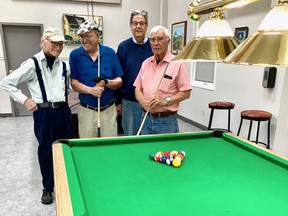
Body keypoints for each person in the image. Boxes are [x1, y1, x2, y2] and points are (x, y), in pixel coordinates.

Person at [0, 27, 74, 204]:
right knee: (46, 150)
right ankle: (48, 188)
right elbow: (6, 82)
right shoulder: (32, 63)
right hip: (44, 113)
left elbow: (68, 87)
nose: (58, 46)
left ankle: (68, 183)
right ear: (44, 40)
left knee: (67, 148)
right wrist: (25, 100)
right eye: (54, 42)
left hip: (63, 111)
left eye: (61, 43)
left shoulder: (64, 65)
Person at [134, 25, 192, 135]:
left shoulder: (177, 63)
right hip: (145, 118)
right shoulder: (145, 63)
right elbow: (137, 88)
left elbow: (186, 93)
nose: (156, 43)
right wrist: (143, 103)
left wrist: (165, 101)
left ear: (168, 41)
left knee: (166, 152)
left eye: (160, 39)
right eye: (152, 40)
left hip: (166, 121)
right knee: (146, 150)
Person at [69, 20, 123, 138]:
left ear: (98, 35)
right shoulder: (75, 55)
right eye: (82, 37)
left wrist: (106, 82)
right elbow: (74, 82)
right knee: (87, 146)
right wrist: (90, 90)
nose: (84, 40)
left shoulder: (110, 53)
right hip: (86, 110)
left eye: (88, 36)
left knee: (109, 145)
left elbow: (119, 81)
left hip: (108, 109)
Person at [116, 9, 153, 136]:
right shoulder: (123, 47)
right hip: (129, 102)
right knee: (131, 137)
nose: (138, 26)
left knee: (149, 138)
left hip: (151, 103)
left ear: (146, 26)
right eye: (135, 23)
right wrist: (117, 102)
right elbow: (118, 75)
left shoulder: (154, 46)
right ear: (130, 25)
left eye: (142, 23)